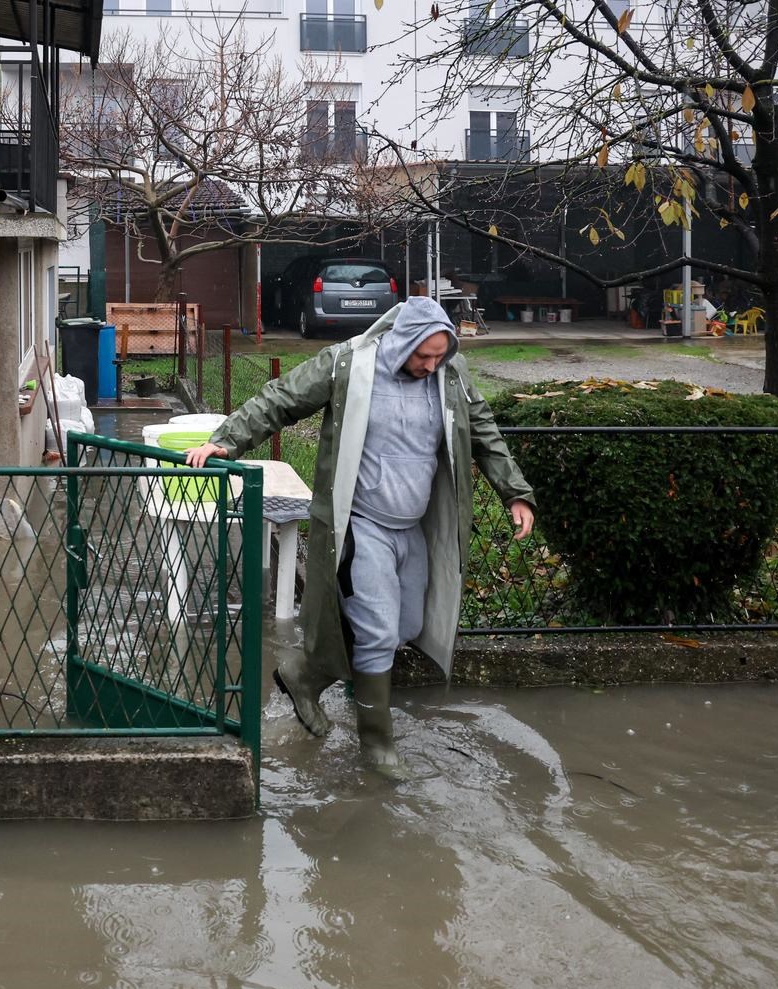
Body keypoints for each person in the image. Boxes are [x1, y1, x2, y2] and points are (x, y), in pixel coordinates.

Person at [185, 298, 535, 779]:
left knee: (406, 626)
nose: (431, 365)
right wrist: (226, 439)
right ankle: (377, 746)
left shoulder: (449, 376)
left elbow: (484, 432)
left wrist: (516, 493)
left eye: (440, 356)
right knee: (377, 632)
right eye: (424, 356)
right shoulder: (348, 363)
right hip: (360, 523)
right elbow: (281, 398)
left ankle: (305, 674)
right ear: (402, 342)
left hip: (412, 526)